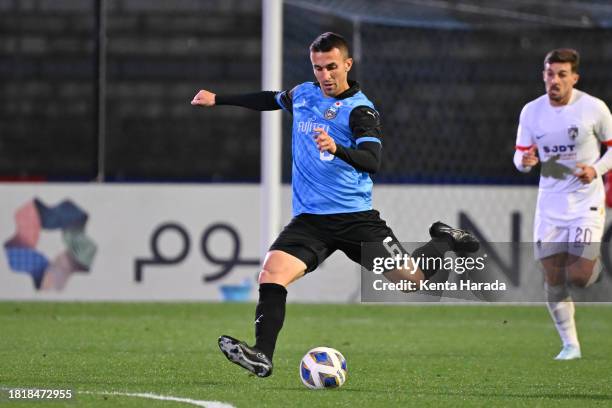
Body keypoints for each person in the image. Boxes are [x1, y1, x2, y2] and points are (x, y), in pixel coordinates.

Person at [192, 32, 479, 377]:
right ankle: (262, 354)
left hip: (356, 220)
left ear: (347, 64)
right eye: (318, 68)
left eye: (331, 67)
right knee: (271, 273)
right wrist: (218, 98)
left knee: (411, 280)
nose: (325, 76)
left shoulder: (360, 110)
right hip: (310, 221)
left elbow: (372, 160)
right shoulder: (303, 94)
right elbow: (271, 99)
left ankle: (445, 238)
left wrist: (336, 148)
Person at [514, 48, 612, 360]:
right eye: (549, 73)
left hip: (586, 203)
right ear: (543, 74)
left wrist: (595, 169)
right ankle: (570, 345)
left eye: (561, 74)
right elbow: (520, 157)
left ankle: (592, 261)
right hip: (550, 206)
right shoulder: (532, 111)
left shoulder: (593, 109)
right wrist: (525, 161)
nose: (554, 80)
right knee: (553, 278)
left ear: (574, 77)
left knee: (579, 277)